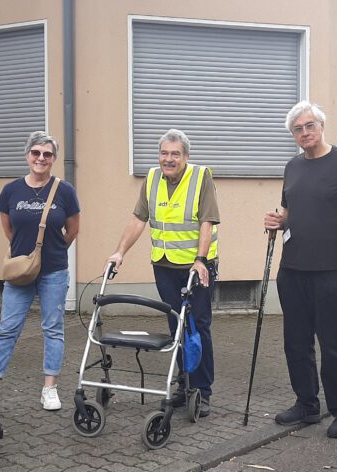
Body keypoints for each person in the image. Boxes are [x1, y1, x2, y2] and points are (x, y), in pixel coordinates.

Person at [263, 101, 337, 439]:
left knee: (333, 343)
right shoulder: (292, 167)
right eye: (298, 129)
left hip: (332, 270)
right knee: (295, 342)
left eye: (310, 125)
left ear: (322, 126)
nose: (305, 132)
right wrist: (278, 221)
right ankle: (307, 405)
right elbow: (290, 210)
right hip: (292, 268)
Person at [106, 128, 218, 417]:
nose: (169, 159)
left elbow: (207, 221)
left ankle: (202, 391)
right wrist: (120, 252)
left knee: (197, 327)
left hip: (197, 267)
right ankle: (184, 385)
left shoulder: (201, 176)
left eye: (175, 154)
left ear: (186, 156)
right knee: (176, 326)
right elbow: (138, 219)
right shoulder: (152, 178)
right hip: (165, 264)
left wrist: (201, 260)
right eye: (164, 153)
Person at [0, 131, 81, 411]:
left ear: (53, 159)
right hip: (20, 272)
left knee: (52, 329)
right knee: (7, 329)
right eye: (36, 153)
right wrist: (25, 254)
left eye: (47, 154)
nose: (41, 158)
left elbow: (73, 229)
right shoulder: (11, 190)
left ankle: (49, 388)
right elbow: (9, 228)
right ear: (28, 155)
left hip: (54, 271)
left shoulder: (65, 191)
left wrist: (48, 251)